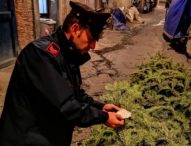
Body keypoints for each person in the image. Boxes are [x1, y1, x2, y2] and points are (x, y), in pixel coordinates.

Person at [0, 1, 125, 146]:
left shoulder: (67, 54)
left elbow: (74, 93)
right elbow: (67, 106)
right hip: (26, 139)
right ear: (75, 29)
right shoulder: (40, 55)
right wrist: (103, 117)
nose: (93, 46)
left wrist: (100, 106)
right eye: (91, 39)